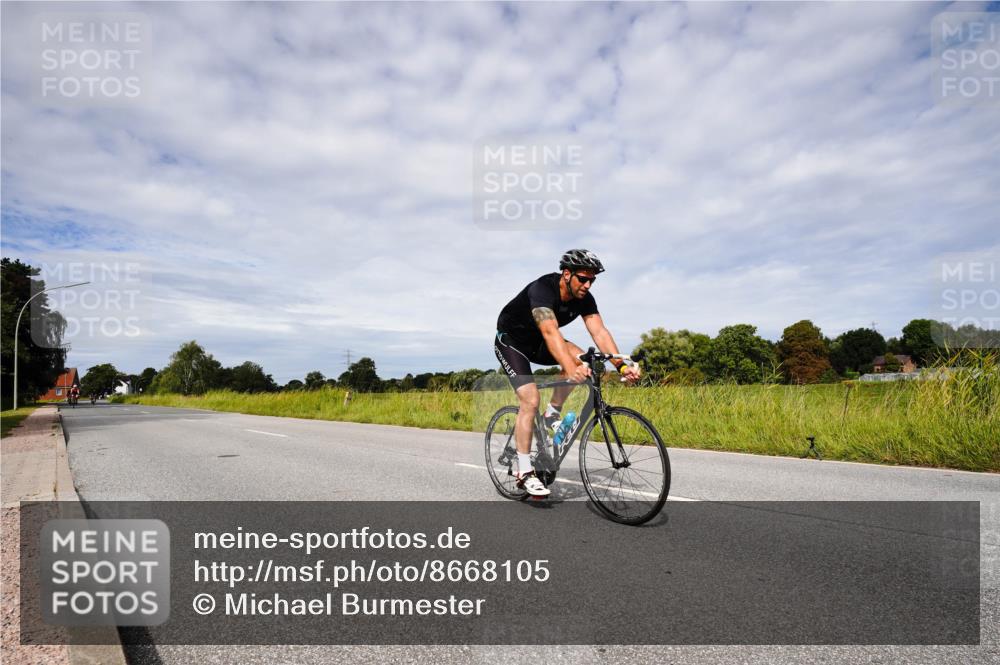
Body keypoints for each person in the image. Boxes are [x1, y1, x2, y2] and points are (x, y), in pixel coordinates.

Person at [494, 249, 641, 497]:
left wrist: (621, 366)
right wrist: (571, 370)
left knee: (585, 359)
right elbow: (550, 331)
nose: (587, 285)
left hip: (539, 342)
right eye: (583, 279)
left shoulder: (585, 298)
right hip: (512, 343)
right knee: (530, 399)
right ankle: (524, 471)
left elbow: (599, 332)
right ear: (566, 274)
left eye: (592, 280)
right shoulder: (543, 289)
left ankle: (552, 413)